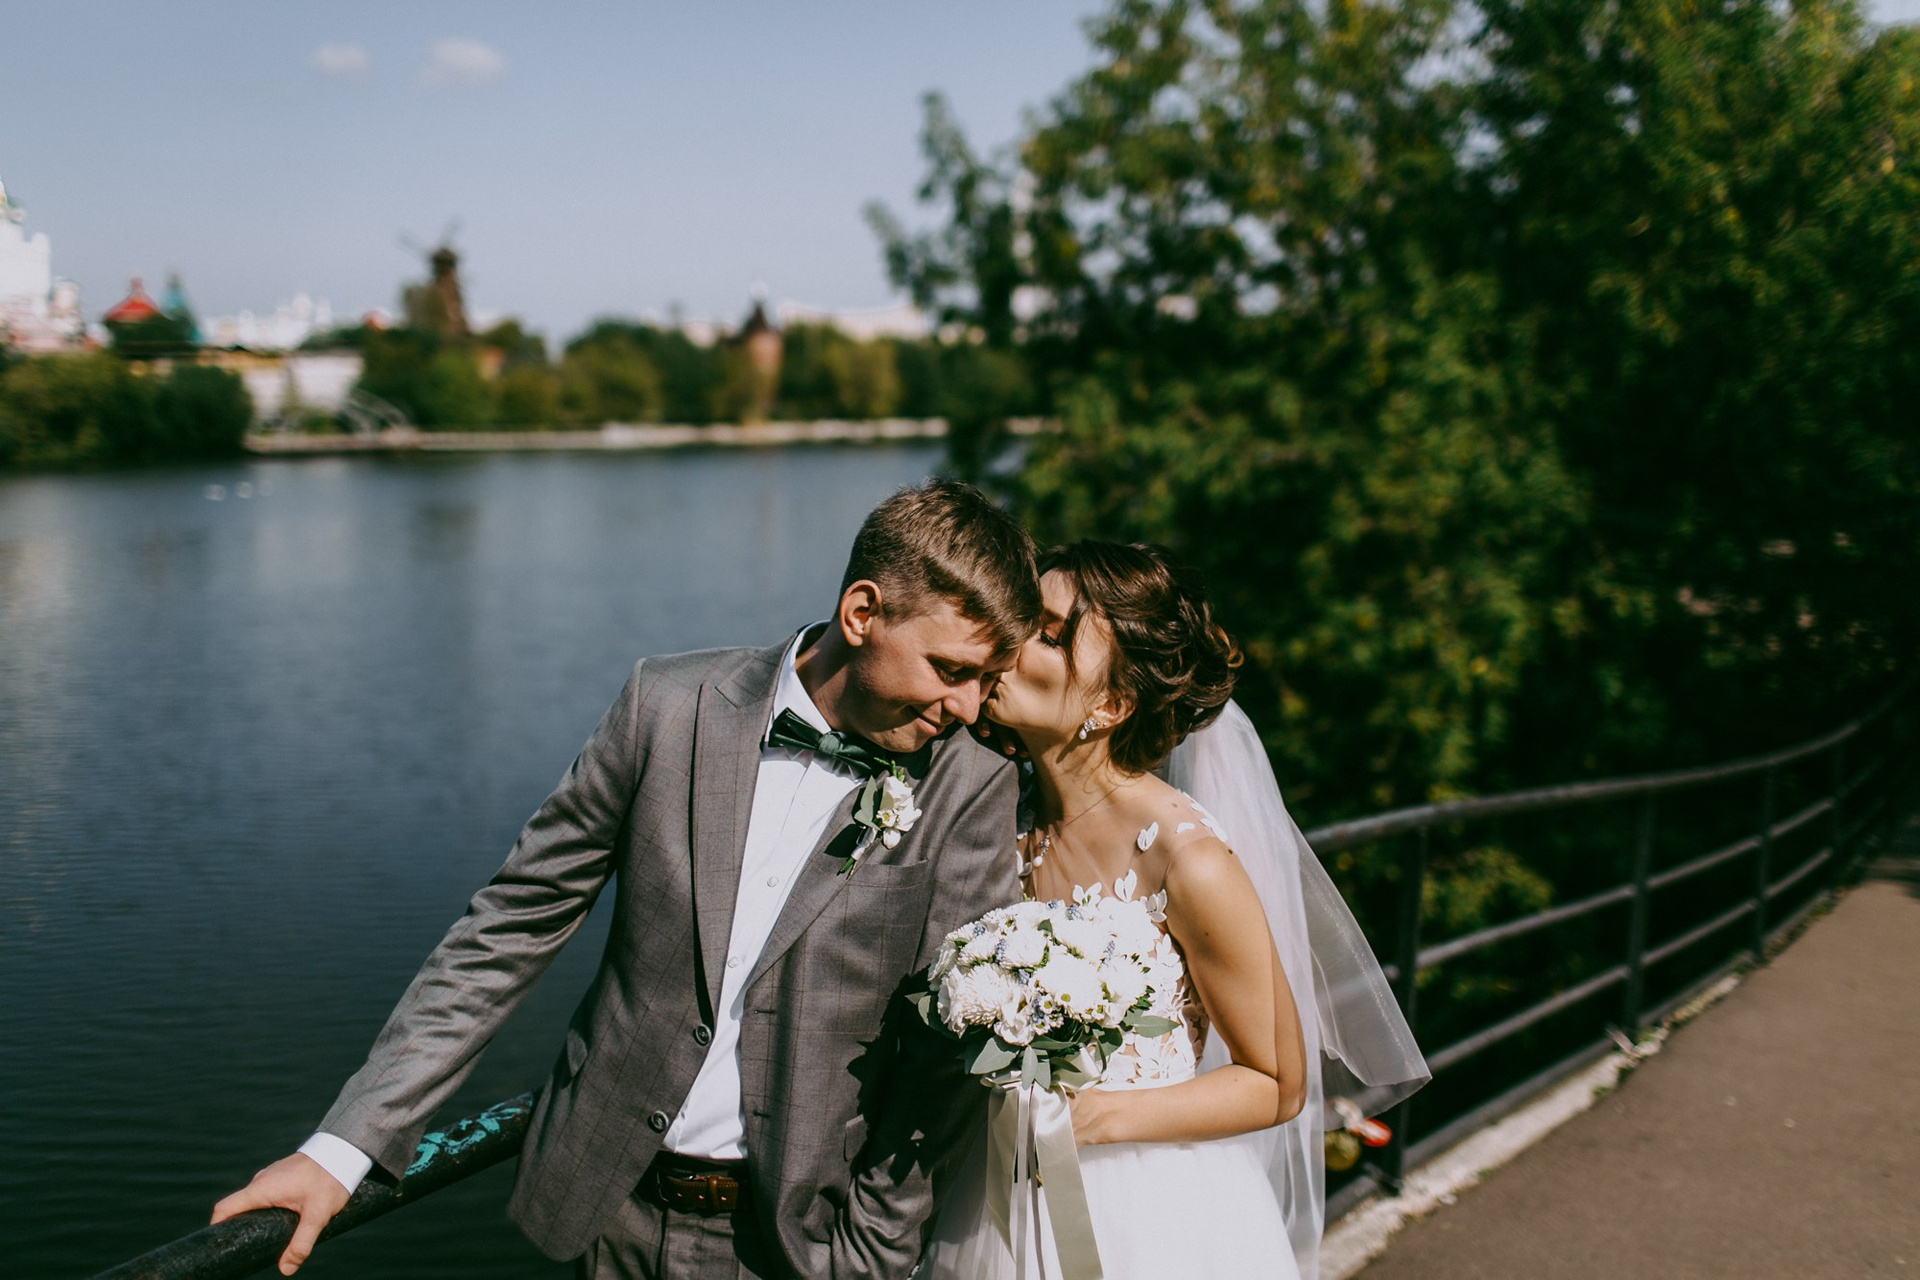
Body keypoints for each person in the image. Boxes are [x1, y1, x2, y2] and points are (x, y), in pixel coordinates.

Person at [212, 479, 1043, 1280]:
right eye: (950, 671)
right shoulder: (667, 706)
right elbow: (509, 926)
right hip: (604, 1215)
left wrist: (874, 1249)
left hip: (799, 1244)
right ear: (862, 613)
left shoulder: (971, 786)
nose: (970, 709)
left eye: (986, 680)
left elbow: (947, 1055)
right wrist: (344, 1148)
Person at [921, 540, 1427, 1280]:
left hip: (1153, 1212)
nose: (1011, 642)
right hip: (998, 1182)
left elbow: (1278, 1082)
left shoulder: (1188, 860)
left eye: (1049, 637)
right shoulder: (999, 822)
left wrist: (1096, 1117)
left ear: (1110, 704)